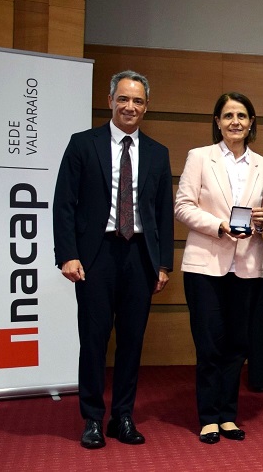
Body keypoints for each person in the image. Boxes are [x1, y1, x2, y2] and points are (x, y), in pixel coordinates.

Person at [53, 70, 174, 449]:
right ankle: (91, 417)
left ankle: (122, 416)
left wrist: (164, 263)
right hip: (96, 255)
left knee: (132, 341)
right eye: (123, 99)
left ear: (146, 106)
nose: (130, 106)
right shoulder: (82, 144)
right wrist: (67, 255)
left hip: (139, 255)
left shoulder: (157, 153)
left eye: (137, 101)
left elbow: (163, 213)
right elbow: (64, 205)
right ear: (110, 101)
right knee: (93, 339)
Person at [174, 92, 263, 444]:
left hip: (247, 265)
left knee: (237, 343)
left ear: (252, 123)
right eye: (228, 115)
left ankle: (228, 415)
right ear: (217, 121)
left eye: (243, 116)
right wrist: (219, 225)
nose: (236, 121)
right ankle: (208, 416)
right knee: (209, 342)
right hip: (206, 264)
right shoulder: (199, 158)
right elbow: (183, 206)